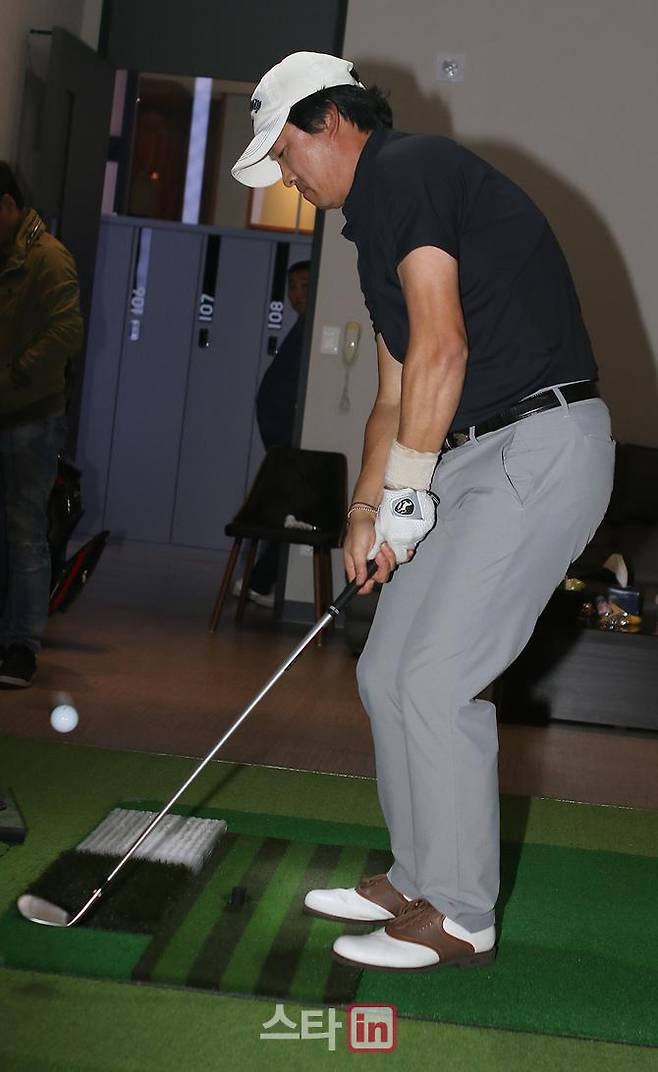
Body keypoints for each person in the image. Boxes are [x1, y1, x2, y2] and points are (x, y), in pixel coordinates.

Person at [232, 53, 615, 971]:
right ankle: (417, 878)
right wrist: (369, 508)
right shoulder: (374, 230)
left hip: (538, 444)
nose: (285, 175)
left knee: (438, 678)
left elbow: (443, 349)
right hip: (469, 454)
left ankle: (461, 915)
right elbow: (397, 392)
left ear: (331, 121)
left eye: (284, 151)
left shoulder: (408, 170)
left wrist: (408, 493)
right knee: (387, 671)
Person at [0, 164, 83, 688]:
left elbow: (66, 332)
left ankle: (21, 646)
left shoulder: (47, 257)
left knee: (25, 531)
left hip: (31, 417)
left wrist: (12, 378)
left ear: (8, 205)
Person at [234, 260, 310, 607]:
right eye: (291, 286)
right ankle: (262, 581)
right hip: (279, 441)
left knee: (286, 508)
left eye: (304, 286)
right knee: (281, 506)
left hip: (289, 441)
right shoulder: (300, 327)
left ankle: (263, 581)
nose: (297, 294)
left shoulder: (311, 328)